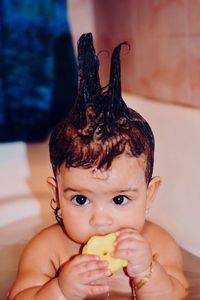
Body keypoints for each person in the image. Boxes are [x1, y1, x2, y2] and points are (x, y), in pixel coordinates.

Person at [8, 33, 189, 300]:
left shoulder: (157, 245)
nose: (100, 220)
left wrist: (147, 273)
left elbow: (181, 294)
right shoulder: (48, 250)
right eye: (81, 199)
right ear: (57, 195)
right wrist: (60, 289)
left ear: (149, 195)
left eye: (119, 199)